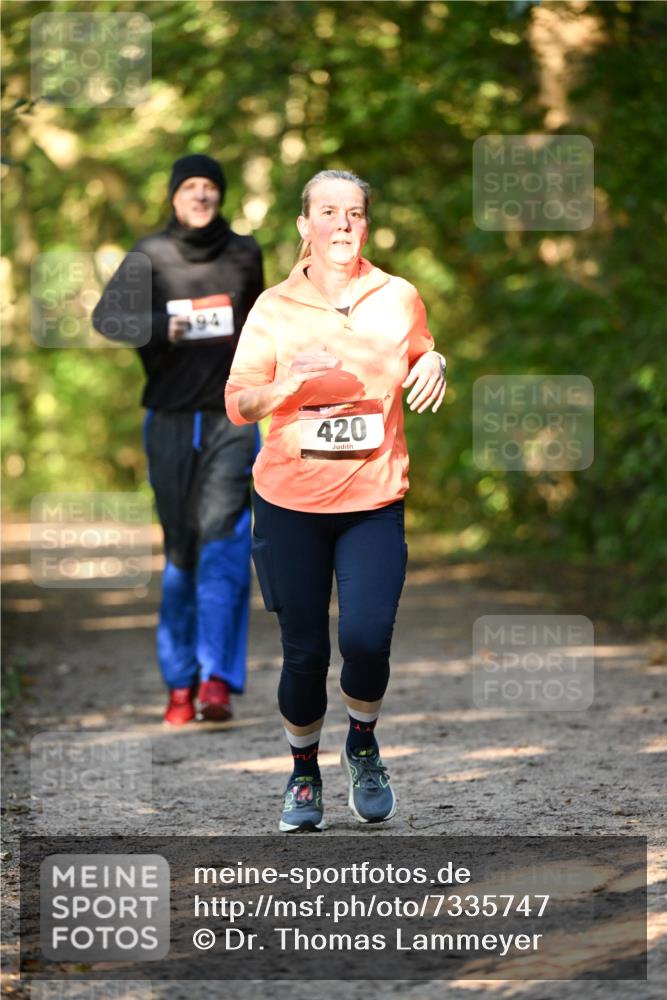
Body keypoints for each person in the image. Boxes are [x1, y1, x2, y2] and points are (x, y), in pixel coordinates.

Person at [225, 169, 445, 831]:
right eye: (327, 212)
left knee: (367, 639)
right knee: (304, 654)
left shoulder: (398, 296)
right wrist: (285, 385)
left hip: (374, 499)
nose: (342, 224)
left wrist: (435, 361)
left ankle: (362, 743)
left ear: (366, 224)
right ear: (305, 225)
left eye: (353, 213)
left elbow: (419, 352)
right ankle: (301, 774)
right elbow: (239, 404)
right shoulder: (273, 308)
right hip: (289, 503)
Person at [93, 153, 264, 725]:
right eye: (189, 186)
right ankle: (179, 685)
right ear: (173, 195)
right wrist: (158, 325)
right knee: (180, 546)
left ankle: (216, 679)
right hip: (167, 417)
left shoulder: (245, 253)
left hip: (231, 418)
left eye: (209, 186)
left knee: (223, 538)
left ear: (221, 194)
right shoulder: (150, 254)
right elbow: (106, 320)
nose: (200, 195)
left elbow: (266, 326)